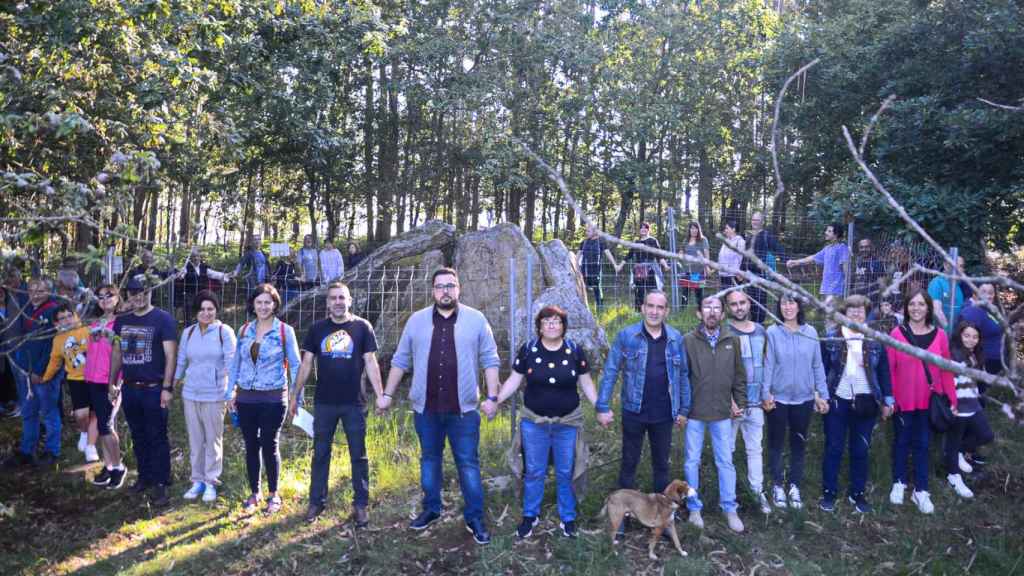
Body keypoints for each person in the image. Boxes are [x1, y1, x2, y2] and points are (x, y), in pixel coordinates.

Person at [379, 268, 501, 545]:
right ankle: (431, 509)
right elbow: (400, 360)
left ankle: (474, 517)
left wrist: (492, 398)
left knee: (468, 464)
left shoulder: (476, 320)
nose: (445, 291)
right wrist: (387, 394)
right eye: (439, 286)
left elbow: (490, 360)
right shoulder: (416, 321)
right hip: (427, 410)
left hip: (464, 411)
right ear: (432, 291)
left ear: (459, 288)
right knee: (430, 461)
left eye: (451, 285)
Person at [495, 305, 599, 539]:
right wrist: (496, 400)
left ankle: (568, 517)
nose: (552, 325)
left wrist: (600, 407)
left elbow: (587, 383)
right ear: (539, 326)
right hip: (534, 423)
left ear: (564, 326)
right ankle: (530, 515)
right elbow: (514, 380)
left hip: (567, 423)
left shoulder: (574, 351)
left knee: (565, 471)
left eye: (556, 321)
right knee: (534, 471)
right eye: (546, 321)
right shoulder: (529, 350)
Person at [596, 290, 690, 523]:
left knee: (661, 465)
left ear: (666, 311)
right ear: (642, 308)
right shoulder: (627, 335)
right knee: (629, 462)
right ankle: (623, 515)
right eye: (650, 306)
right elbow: (610, 371)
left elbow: (683, 375)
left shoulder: (676, 339)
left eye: (660, 307)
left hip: (664, 414)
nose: (654, 311)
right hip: (633, 411)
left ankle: (662, 516)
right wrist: (602, 405)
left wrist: (684, 410)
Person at [294, 282, 384, 525]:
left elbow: (371, 363)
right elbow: (305, 365)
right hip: (324, 403)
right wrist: (295, 395)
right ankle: (316, 502)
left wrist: (382, 395)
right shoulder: (317, 329)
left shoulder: (362, 328)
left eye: (342, 298)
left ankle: (361, 504)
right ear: (327, 303)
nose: (338, 302)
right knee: (321, 454)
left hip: (354, 403)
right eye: (333, 298)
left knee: (359, 455)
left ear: (350, 301)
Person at [226, 283, 301, 515]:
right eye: (259, 302)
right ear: (253, 304)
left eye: (267, 302)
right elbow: (236, 363)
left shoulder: (284, 331)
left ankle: (274, 494)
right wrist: (230, 392)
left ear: (275, 304)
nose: (263, 306)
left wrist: (297, 396)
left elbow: (296, 365)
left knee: (269, 444)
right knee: (251, 445)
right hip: (246, 399)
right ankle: (254, 492)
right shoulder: (244, 330)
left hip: (273, 399)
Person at [819, 295, 893, 513]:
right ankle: (829, 493)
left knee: (860, 448)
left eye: (861, 309)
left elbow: (884, 372)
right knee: (834, 447)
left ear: (867, 312)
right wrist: (819, 395)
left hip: (866, 401)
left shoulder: (875, 339)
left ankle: (857, 494)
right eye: (852, 309)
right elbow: (822, 369)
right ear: (844, 312)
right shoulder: (832, 337)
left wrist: (888, 399)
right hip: (837, 400)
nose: (856, 313)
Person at [108, 278, 178, 506]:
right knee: (138, 435)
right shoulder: (122, 321)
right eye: (134, 292)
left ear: (151, 293)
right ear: (127, 294)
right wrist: (112, 381)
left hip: (154, 388)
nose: (139, 296)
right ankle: (144, 476)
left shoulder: (163, 319)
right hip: (130, 388)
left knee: (157, 436)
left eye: (144, 292)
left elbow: (170, 356)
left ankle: (161, 483)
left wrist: (167, 387)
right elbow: (117, 352)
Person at [887, 289, 957, 514]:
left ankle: (922, 490)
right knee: (901, 441)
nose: (916, 308)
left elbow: (946, 370)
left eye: (921, 304)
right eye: (912, 304)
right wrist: (890, 399)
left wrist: (952, 398)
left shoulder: (940, 336)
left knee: (923, 444)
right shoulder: (897, 334)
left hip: (930, 401)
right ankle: (899, 482)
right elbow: (889, 369)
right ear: (906, 308)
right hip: (903, 401)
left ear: (928, 308)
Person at [682, 295, 746, 533]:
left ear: (722, 314)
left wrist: (739, 402)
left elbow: (739, 375)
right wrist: (682, 410)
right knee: (691, 461)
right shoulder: (688, 340)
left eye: (716, 308)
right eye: (707, 307)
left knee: (725, 462)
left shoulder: (732, 340)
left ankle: (730, 508)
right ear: (699, 313)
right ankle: (694, 507)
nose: (711, 311)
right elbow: (681, 378)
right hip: (695, 413)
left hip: (722, 413)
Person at [763, 295, 829, 510]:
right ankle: (777, 484)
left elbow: (817, 366)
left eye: (792, 302)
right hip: (778, 399)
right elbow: (768, 365)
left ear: (799, 305)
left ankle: (794, 485)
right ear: (778, 306)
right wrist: (766, 394)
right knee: (776, 443)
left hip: (804, 398)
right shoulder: (772, 333)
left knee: (798, 443)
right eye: (783, 302)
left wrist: (822, 394)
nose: (787, 307)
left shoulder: (811, 333)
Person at [174, 290, 237, 502]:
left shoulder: (224, 332)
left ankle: (211, 482)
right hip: (191, 393)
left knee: (213, 439)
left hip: (215, 394)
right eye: (202, 309)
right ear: (196, 312)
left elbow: (232, 362)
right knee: (195, 439)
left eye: (210, 309)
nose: (206, 313)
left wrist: (232, 391)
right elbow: (181, 359)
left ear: (216, 310)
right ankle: (197, 480)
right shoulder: (188, 332)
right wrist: (171, 383)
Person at [4, 277, 60, 468]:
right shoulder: (25, 307)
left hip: (44, 372)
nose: (35, 294)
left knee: (48, 411)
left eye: (40, 290)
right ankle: (27, 450)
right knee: (28, 412)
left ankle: (52, 451)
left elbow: (51, 344)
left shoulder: (53, 311)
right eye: (31, 289)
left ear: (49, 291)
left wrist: (40, 370)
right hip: (24, 369)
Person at [724, 289, 771, 514]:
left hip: (756, 404)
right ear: (728, 308)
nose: (739, 307)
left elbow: (766, 364)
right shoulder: (725, 332)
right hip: (732, 405)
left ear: (749, 304)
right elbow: (720, 372)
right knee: (728, 450)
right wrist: (730, 400)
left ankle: (757, 491)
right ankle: (728, 495)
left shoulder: (761, 331)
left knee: (755, 449)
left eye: (742, 302)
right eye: (733, 304)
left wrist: (766, 394)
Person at [944, 321, 995, 499]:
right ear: (960, 336)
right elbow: (949, 381)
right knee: (953, 440)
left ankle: (960, 451)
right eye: (967, 336)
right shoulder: (954, 355)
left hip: (973, 404)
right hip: (958, 406)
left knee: (986, 435)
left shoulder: (976, 355)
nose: (971, 340)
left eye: (975, 337)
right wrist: (951, 403)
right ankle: (953, 476)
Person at [86, 284, 128, 489]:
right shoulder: (95, 322)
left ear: (117, 297)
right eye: (100, 296)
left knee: (108, 425)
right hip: (92, 379)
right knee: (102, 425)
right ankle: (109, 466)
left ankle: (119, 467)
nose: (105, 300)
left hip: (109, 382)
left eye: (109, 295)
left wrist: (115, 382)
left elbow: (120, 355)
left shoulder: (121, 323)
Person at [40, 304, 95, 462]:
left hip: (95, 377)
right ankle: (84, 432)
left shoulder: (87, 330)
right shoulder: (58, 340)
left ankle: (91, 444)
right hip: (76, 379)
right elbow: (54, 361)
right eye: (62, 318)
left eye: (69, 316)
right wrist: (46, 378)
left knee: (94, 413)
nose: (67, 320)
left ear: (76, 316)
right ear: (57, 323)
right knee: (80, 414)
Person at [786, 223, 850, 304]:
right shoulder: (827, 249)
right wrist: (795, 262)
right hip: (825, 289)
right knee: (825, 314)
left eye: (829, 231)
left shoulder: (842, 248)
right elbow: (812, 258)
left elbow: (845, 269)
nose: (825, 232)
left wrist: (846, 287)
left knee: (832, 315)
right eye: (826, 230)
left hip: (836, 290)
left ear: (836, 234)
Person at [615, 221, 670, 312]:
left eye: (645, 227)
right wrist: (620, 266)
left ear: (648, 230)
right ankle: (638, 312)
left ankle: (655, 310)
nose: (643, 229)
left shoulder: (653, 241)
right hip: (639, 270)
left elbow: (659, 255)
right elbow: (629, 255)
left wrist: (665, 265)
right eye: (641, 227)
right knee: (638, 291)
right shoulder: (636, 242)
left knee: (653, 291)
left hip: (651, 269)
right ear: (639, 230)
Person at [956, 282, 1004, 378]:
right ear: (975, 293)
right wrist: (975, 363)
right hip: (985, 363)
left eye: (991, 293)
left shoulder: (986, 309)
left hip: (994, 361)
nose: (988, 296)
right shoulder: (973, 311)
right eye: (984, 292)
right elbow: (966, 340)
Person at [744, 211, 785, 323]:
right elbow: (744, 255)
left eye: (757, 220)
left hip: (761, 275)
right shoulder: (748, 235)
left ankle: (760, 326)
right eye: (753, 220)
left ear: (762, 222)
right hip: (748, 275)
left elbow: (779, 248)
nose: (755, 222)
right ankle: (752, 326)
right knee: (751, 302)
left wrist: (787, 261)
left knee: (761, 303)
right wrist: (741, 270)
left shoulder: (766, 235)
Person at [176, 246, 228, 322]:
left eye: (197, 256)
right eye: (194, 256)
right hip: (190, 294)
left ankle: (201, 325)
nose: (196, 258)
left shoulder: (204, 267)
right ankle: (189, 327)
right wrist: (180, 274)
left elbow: (215, 274)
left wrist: (225, 275)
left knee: (202, 311)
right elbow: (181, 276)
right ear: (191, 258)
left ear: (200, 257)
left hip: (202, 294)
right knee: (189, 312)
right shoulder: (187, 267)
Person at [576, 223, 619, 308]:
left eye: (588, 231)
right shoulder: (584, 242)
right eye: (586, 231)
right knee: (581, 289)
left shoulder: (601, 242)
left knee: (597, 290)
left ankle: (600, 309)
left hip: (596, 270)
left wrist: (615, 265)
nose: (586, 233)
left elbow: (608, 254)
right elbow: (577, 256)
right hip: (584, 270)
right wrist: (572, 266)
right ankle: (582, 309)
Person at [927, 256, 966, 333]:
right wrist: (948, 331)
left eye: (961, 266)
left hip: (954, 334)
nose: (958, 269)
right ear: (945, 265)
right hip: (938, 333)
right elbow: (937, 311)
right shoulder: (937, 282)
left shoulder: (958, 287)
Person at [680, 222, 711, 308]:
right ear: (689, 230)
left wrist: (707, 267)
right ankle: (683, 312)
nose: (694, 230)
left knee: (699, 292)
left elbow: (706, 256)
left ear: (698, 229)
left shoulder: (703, 240)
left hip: (698, 271)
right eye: (692, 228)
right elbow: (681, 253)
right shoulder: (685, 240)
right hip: (686, 271)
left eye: (696, 228)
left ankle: (701, 310)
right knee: (685, 292)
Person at [851, 238, 886, 307]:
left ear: (871, 248)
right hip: (855, 299)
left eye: (867, 247)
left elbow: (882, 284)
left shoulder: (876, 263)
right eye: (861, 247)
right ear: (858, 249)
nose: (864, 249)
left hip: (871, 301)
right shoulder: (855, 262)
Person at [717, 220, 745, 289]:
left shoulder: (740, 242)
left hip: (733, 277)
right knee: (725, 298)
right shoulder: (725, 241)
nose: (725, 230)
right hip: (723, 275)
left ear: (733, 229)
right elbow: (721, 257)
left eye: (727, 228)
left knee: (733, 298)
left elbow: (742, 260)